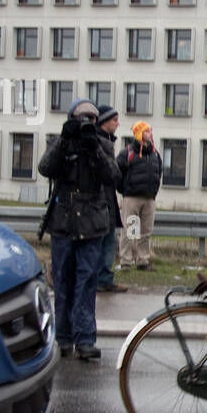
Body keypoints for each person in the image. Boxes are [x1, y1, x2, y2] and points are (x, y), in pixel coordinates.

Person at [38, 99, 121, 360]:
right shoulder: (59, 143)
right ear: (72, 118)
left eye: (92, 119)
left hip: (92, 224)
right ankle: (63, 338)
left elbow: (112, 177)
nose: (88, 123)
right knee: (63, 281)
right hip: (64, 223)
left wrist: (94, 149)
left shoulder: (102, 145)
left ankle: (85, 339)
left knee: (86, 282)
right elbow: (45, 168)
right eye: (83, 118)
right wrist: (64, 141)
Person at [89, 105, 126, 293]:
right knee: (104, 241)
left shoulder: (106, 141)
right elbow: (110, 173)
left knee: (108, 241)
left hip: (108, 199)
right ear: (104, 122)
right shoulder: (100, 143)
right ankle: (101, 279)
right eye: (114, 120)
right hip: (101, 201)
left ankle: (103, 278)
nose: (118, 124)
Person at [117, 121, 162, 270]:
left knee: (146, 232)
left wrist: (154, 191)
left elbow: (158, 173)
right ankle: (126, 261)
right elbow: (117, 173)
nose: (151, 134)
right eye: (147, 131)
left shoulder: (155, 154)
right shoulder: (127, 153)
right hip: (132, 198)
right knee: (130, 230)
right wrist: (124, 191)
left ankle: (143, 261)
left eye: (150, 131)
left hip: (149, 198)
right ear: (139, 134)